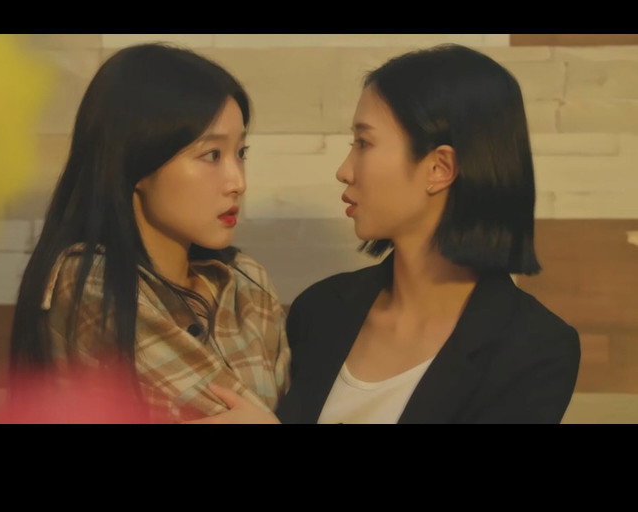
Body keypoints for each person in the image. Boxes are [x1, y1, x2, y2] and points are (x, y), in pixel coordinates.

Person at [205, 43, 580, 425]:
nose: (344, 170)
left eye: (364, 143)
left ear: (439, 168)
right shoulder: (320, 310)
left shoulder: (534, 349)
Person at [10, 43, 290, 423]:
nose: (237, 182)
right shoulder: (91, 283)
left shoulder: (247, 283)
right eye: (212, 155)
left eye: (241, 153)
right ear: (138, 160)